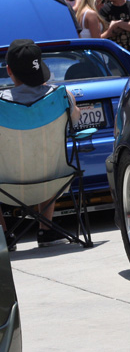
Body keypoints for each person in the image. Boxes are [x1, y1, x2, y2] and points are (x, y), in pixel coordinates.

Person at [0, 39, 81, 247]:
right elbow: (75, 120)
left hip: (6, 185)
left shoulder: (2, 103)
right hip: (52, 179)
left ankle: (4, 236)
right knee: (46, 156)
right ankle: (46, 229)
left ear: (9, 70)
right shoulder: (61, 96)